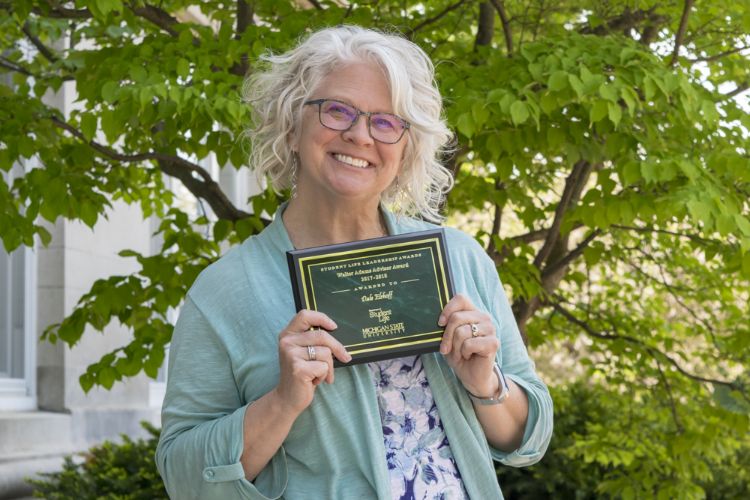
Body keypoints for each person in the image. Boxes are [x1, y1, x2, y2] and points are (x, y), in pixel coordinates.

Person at [156, 26, 553, 500]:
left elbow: (528, 441)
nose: (360, 134)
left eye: (386, 122)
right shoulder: (224, 290)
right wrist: (282, 403)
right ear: (290, 125)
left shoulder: (458, 257)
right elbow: (182, 477)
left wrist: (485, 382)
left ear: (406, 148)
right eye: (337, 110)